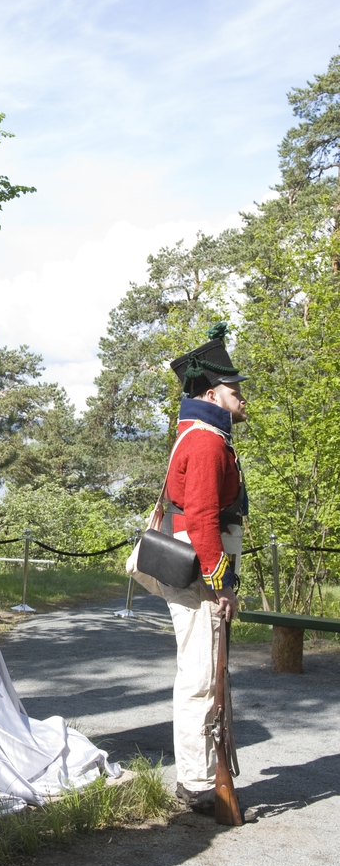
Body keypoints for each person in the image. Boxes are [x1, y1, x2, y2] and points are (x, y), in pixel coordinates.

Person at [164, 323, 248, 815]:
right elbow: (199, 519)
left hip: (202, 569)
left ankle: (196, 775)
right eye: (233, 388)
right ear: (211, 393)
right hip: (201, 572)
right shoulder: (207, 442)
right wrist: (222, 584)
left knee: (202, 670)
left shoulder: (206, 435)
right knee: (200, 673)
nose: (239, 395)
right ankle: (196, 780)